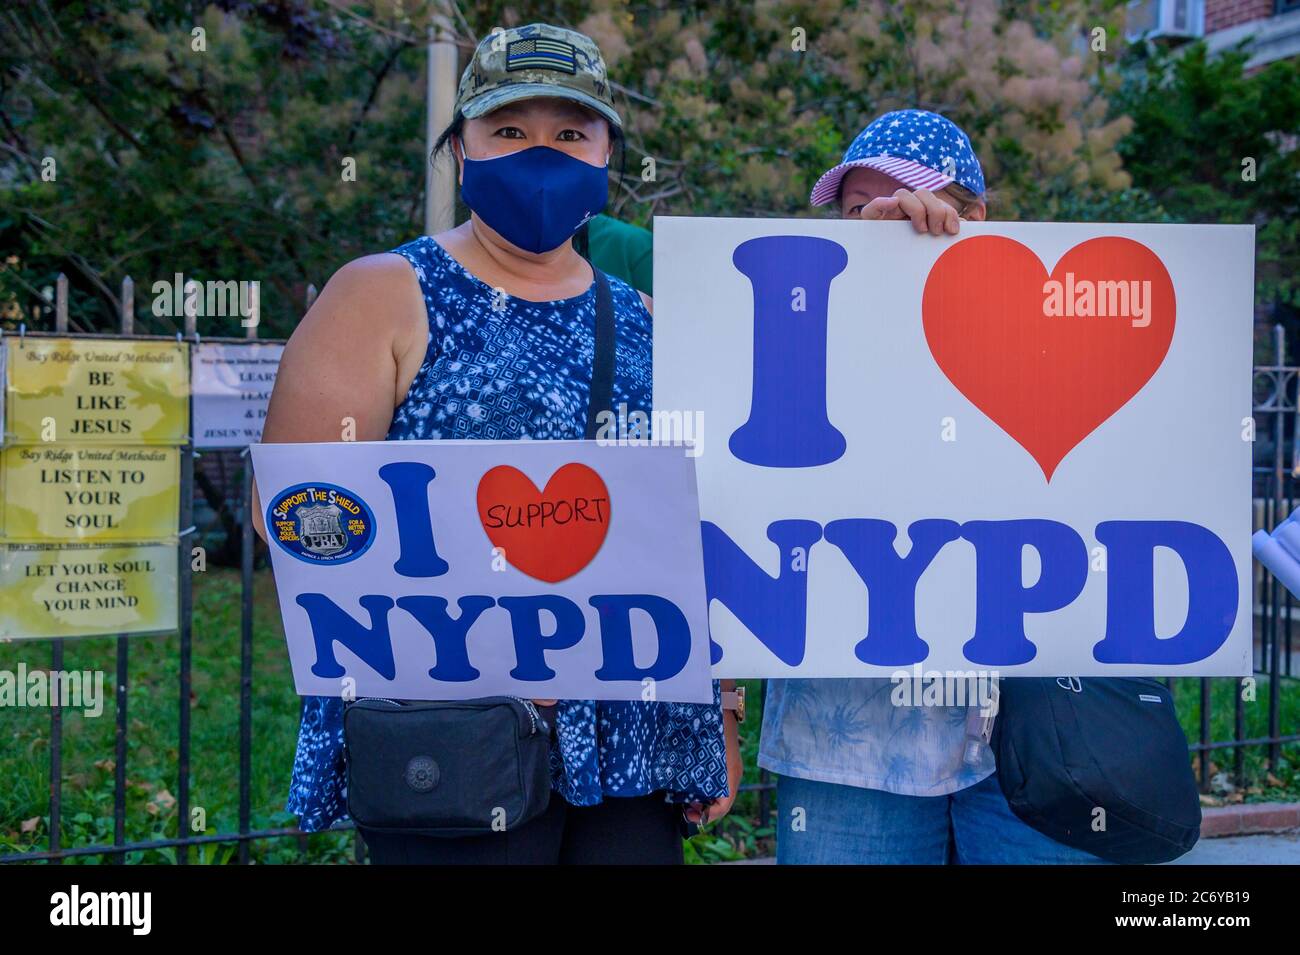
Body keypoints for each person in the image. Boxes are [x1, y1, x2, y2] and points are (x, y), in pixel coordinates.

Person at [252, 22, 742, 865]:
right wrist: (488, 620)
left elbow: (690, 535)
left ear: (606, 153)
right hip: (454, 732)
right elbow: (288, 514)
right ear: (462, 147)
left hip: (631, 739)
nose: (539, 153)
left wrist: (721, 710)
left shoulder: (643, 318)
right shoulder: (383, 294)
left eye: (570, 133)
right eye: (510, 130)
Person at [758, 109, 1108, 865]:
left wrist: (950, 287)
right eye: (858, 209)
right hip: (846, 742)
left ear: (975, 216)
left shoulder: (1051, 333)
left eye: (910, 200)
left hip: (1036, 726)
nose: (883, 219)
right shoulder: (786, 335)